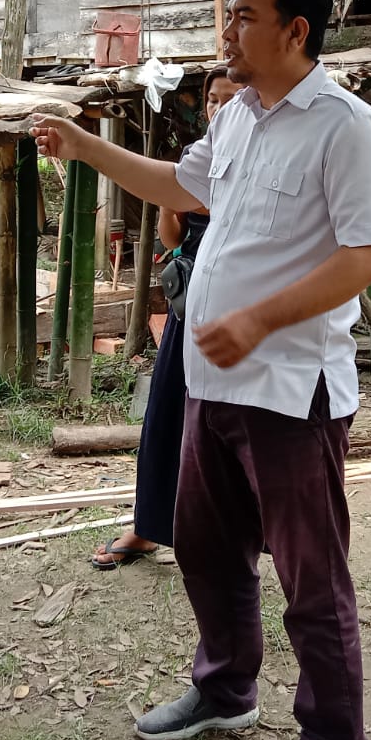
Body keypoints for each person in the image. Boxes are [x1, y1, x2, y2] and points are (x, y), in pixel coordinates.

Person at [32, 0, 371, 740]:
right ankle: (225, 690)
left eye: (244, 16)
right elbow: (181, 186)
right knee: (206, 551)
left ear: (296, 30)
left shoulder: (345, 127)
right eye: (229, 14)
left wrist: (261, 320)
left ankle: (335, 735)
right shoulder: (238, 116)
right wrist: (85, 146)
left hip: (290, 390)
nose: (227, 30)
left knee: (311, 580)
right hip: (213, 382)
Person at [91, 67, 242, 569]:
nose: (221, 108)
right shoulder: (196, 158)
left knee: (232, 426)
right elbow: (173, 239)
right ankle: (150, 525)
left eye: (233, 98)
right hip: (190, 307)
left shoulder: (255, 158)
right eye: (214, 100)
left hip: (245, 310)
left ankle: (229, 533)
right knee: (167, 416)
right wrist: (168, 200)